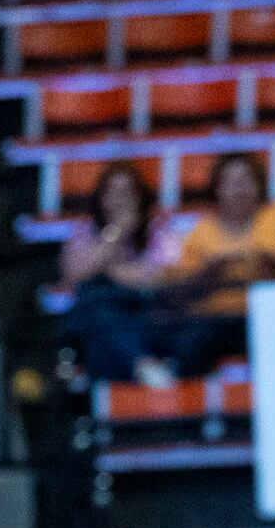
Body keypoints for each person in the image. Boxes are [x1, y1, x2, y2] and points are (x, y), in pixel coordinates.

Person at [168, 154, 275, 376]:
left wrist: (274, 260)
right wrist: (208, 272)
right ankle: (191, 408)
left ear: (259, 185)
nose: (239, 188)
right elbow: (182, 286)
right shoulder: (201, 230)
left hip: (274, 316)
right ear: (217, 189)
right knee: (188, 343)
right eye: (230, 182)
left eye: (245, 180)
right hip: (216, 319)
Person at [57, 162, 187, 382]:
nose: (120, 201)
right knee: (99, 318)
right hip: (109, 323)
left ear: (141, 199)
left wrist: (109, 272)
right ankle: (141, 367)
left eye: (127, 193)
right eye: (113, 194)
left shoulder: (160, 231)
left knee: (94, 304)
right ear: (100, 200)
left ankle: (71, 361)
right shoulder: (85, 233)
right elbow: (73, 275)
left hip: (150, 317)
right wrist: (117, 232)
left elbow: (167, 276)